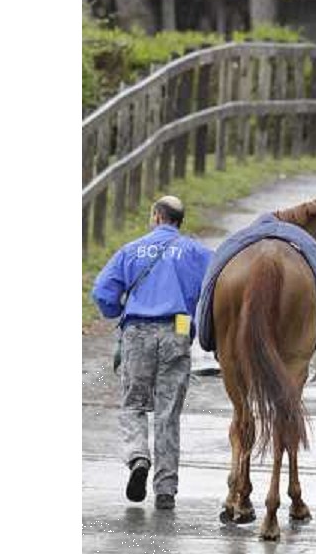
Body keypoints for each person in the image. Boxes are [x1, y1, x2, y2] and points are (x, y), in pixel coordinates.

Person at [92, 195, 212, 510]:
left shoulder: (130, 250)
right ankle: (166, 490)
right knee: (167, 413)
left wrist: (120, 309)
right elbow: (216, 288)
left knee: (133, 405)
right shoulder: (198, 253)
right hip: (177, 331)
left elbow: (102, 292)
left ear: (157, 217)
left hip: (137, 333)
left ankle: (138, 458)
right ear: (178, 221)